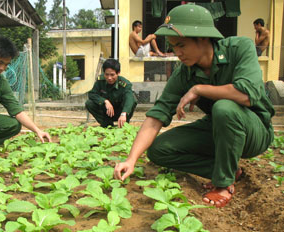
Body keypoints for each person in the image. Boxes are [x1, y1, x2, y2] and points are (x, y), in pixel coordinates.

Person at [114, 4, 275, 208]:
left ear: (203, 38)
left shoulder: (239, 48)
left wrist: (199, 89)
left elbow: (247, 94)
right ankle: (225, 169)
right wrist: (131, 160)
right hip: (218, 127)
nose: (177, 52)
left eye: (182, 45)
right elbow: (157, 116)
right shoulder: (184, 72)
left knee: (224, 108)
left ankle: (224, 184)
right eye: (173, 46)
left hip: (255, 130)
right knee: (158, 150)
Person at [85, 59, 137, 128]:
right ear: (104, 73)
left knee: (133, 100)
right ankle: (107, 124)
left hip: (120, 113)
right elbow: (92, 94)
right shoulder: (100, 81)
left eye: (112, 75)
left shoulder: (125, 84)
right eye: (107, 74)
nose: (109, 78)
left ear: (118, 73)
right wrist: (105, 101)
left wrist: (124, 113)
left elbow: (129, 98)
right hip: (107, 113)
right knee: (89, 103)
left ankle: (123, 124)